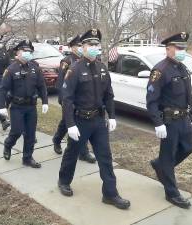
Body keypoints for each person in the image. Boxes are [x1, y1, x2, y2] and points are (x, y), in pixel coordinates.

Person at [57, 29, 130, 210]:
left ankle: (110, 194)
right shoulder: (74, 69)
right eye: (91, 45)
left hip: (98, 121)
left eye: (97, 45)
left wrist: (112, 116)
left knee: (105, 157)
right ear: (82, 47)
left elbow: (109, 95)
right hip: (80, 121)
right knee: (72, 153)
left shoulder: (102, 68)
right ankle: (64, 181)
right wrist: (70, 124)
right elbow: (67, 100)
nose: (94, 48)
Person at [146, 32, 192, 209]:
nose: (181, 51)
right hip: (169, 121)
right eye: (178, 48)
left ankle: (160, 166)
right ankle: (172, 193)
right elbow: (151, 101)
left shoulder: (183, 68)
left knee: (188, 147)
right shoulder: (160, 70)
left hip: (184, 119)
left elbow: (188, 94)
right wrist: (158, 123)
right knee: (168, 156)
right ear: (168, 49)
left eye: (183, 48)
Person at [0, 40, 48, 168]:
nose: (27, 54)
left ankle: (27, 158)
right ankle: (8, 144)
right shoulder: (11, 69)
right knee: (17, 131)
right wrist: (1, 106)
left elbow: (42, 86)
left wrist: (45, 102)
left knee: (31, 134)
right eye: (25, 51)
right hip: (17, 107)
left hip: (31, 106)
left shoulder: (35, 68)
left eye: (29, 52)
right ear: (18, 52)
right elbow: (2, 89)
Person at [52, 35, 96, 164]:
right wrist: (63, 100)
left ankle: (83, 152)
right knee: (67, 122)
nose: (80, 48)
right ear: (72, 47)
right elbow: (61, 83)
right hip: (70, 100)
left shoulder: (87, 60)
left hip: (83, 101)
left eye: (81, 45)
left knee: (79, 125)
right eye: (77, 46)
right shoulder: (67, 61)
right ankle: (57, 140)